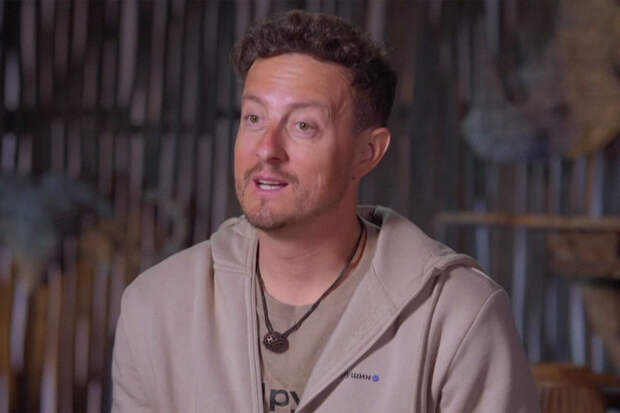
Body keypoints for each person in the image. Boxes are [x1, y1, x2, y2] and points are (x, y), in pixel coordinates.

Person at [111, 10, 540, 413]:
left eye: (303, 126)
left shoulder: (456, 316)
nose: (267, 149)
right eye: (254, 118)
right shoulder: (156, 306)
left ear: (367, 152)